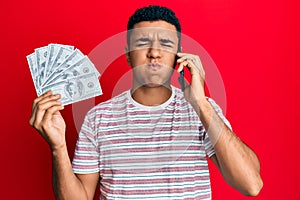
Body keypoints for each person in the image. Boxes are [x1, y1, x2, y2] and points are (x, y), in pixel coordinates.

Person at [29, 5, 263, 200]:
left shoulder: (203, 110)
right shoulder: (97, 118)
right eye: (142, 43)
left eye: (166, 44)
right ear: (129, 54)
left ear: (179, 56)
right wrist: (58, 147)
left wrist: (200, 104)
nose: (154, 53)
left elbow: (251, 185)